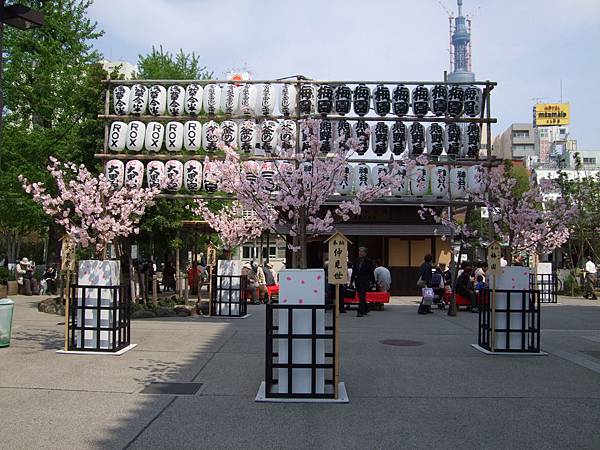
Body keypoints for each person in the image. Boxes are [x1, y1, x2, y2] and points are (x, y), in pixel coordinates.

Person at [351, 247, 375, 317]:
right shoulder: (356, 260)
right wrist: (351, 281)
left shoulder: (369, 261)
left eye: (362, 252)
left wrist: (373, 282)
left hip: (365, 281)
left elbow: (371, 272)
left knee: (362, 296)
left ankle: (360, 311)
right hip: (357, 280)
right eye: (359, 251)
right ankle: (366, 308)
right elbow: (354, 272)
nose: (360, 253)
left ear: (365, 253)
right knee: (361, 296)